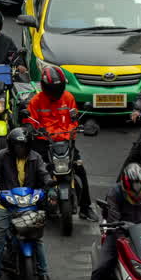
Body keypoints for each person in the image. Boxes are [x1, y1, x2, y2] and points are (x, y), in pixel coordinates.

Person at [0, 126, 54, 280]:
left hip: (29, 203)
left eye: (23, 146)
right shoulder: (3, 155)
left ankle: (43, 272)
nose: (20, 149)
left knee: (36, 238)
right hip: (6, 203)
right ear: (11, 145)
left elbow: (44, 174)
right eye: (17, 146)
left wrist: (50, 187)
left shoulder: (35, 157)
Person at [25, 66, 91, 215]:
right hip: (44, 143)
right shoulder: (36, 101)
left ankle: (86, 208)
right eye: (52, 88)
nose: (55, 92)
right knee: (33, 171)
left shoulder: (68, 98)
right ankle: (28, 205)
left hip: (66, 143)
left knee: (80, 170)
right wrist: (29, 128)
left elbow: (75, 120)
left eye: (58, 88)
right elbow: (30, 120)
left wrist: (79, 127)